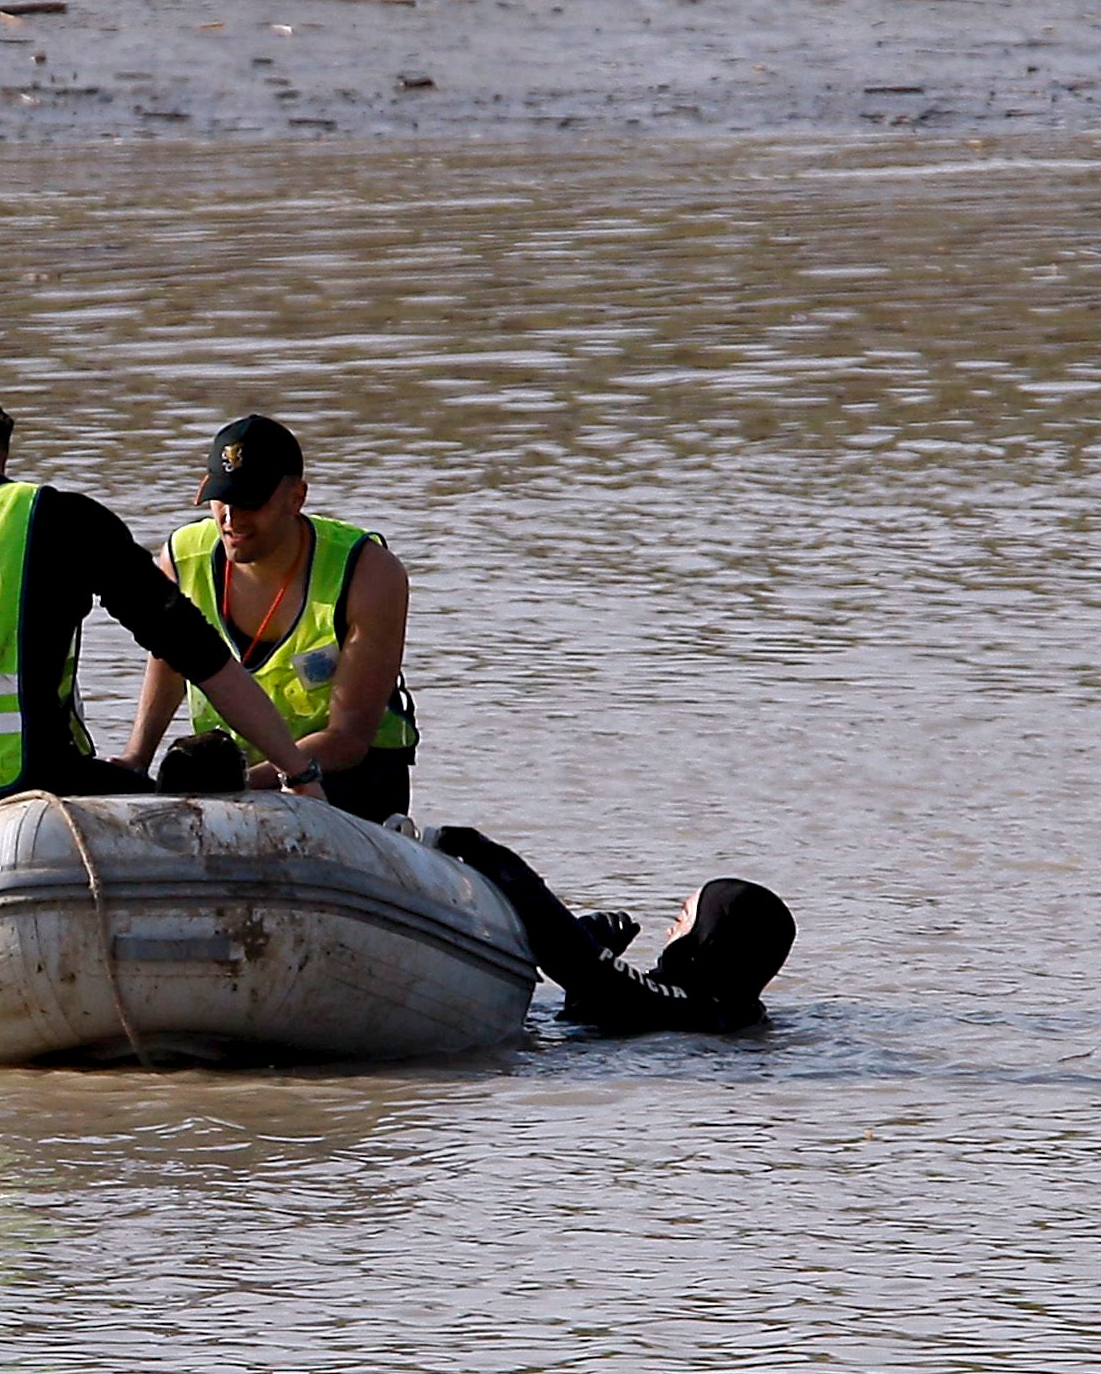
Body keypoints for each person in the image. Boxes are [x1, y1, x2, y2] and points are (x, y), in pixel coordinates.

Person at [0, 386, 329, 842]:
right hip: (32, 797)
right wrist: (297, 768)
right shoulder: (55, 519)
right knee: (198, 779)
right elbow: (193, 648)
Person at [117, 415, 420, 823]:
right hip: (234, 772)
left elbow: (349, 739)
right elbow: (170, 663)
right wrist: (137, 760)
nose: (231, 519)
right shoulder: (181, 558)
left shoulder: (371, 573)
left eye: (251, 502)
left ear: (297, 498)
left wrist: (243, 783)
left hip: (346, 776)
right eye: (222, 499)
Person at [427, 825, 796, 1033]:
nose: (670, 932)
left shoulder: (703, 1010)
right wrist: (593, 952)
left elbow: (583, 966)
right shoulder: (730, 1011)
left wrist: (488, 855)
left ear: (710, 938)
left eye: (683, 918)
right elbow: (605, 992)